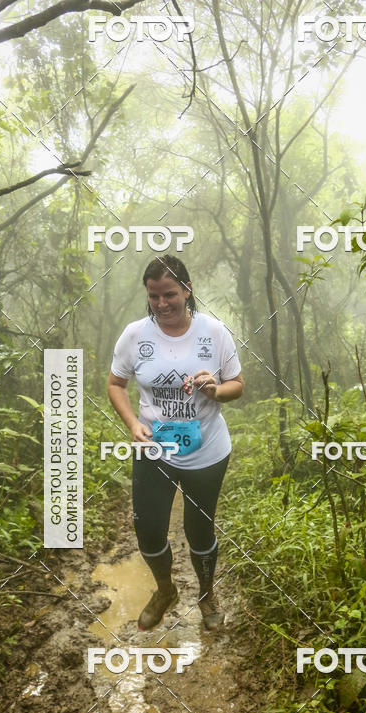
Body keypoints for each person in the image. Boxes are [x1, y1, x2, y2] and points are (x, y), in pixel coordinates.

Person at [107, 255, 244, 631]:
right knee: (148, 529)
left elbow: (237, 384)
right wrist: (133, 423)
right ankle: (165, 590)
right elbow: (115, 384)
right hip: (154, 449)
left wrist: (215, 390)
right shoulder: (135, 335)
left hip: (207, 451)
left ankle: (206, 594)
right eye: (154, 296)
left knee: (199, 531)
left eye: (169, 294)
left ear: (187, 290)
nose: (162, 304)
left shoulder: (214, 332)